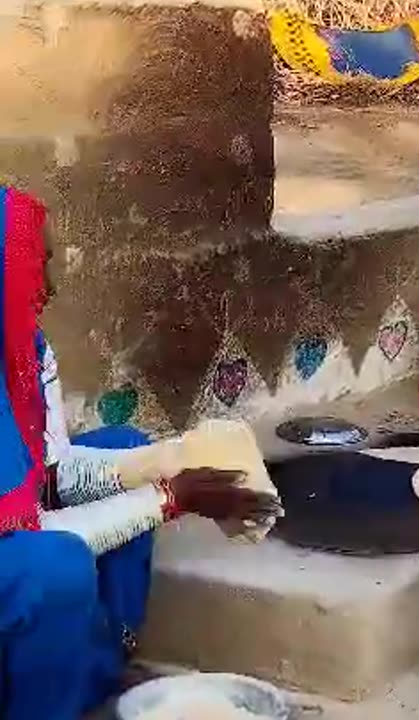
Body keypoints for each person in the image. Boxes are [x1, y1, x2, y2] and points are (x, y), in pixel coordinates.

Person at [0, 185, 276, 719]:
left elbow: (50, 475)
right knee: (54, 569)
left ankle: (98, 667)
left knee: (124, 444)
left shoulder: (25, 352)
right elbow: (29, 531)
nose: (51, 287)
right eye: (38, 266)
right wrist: (169, 498)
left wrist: (165, 461)